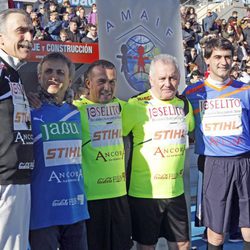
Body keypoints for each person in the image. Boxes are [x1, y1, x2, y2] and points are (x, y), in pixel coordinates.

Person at [183, 37, 250, 250]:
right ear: (207, 60)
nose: (223, 62)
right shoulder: (192, 93)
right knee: (216, 233)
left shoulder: (245, 90)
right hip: (214, 164)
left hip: (245, 162)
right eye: (218, 57)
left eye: (228, 57)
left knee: (248, 227)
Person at [123, 54, 195, 250]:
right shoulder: (135, 104)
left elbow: (190, 130)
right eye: (162, 78)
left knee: (183, 245)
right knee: (147, 246)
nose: (168, 83)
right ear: (151, 79)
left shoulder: (184, 105)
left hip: (175, 192)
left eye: (172, 78)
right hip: (145, 193)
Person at [29, 52, 89, 250]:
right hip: (42, 212)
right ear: (39, 77)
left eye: (60, 72)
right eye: (48, 71)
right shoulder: (27, 110)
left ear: (70, 79)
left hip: (75, 209)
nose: (54, 76)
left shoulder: (77, 113)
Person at [74, 60, 133, 250]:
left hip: (120, 195)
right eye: (101, 81)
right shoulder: (74, 110)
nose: (107, 87)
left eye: (112, 82)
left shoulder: (124, 108)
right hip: (90, 198)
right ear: (88, 83)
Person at [0, 9, 34, 250]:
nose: (29, 37)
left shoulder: (12, 72)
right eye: (21, 31)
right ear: (1, 38)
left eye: (31, 31)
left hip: (18, 178)